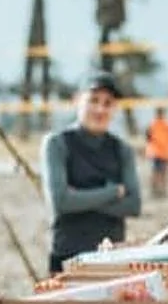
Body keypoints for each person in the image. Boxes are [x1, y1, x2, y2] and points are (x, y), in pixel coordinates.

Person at [41, 72, 141, 274]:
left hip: (112, 257)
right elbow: (60, 202)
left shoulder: (123, 150)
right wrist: (113, 192)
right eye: (93, 100)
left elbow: (133, 205)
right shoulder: (57, 143)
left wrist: (78, 198)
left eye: (108, 103)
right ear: (77, 100)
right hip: (67, 257)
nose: (100, 109)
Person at [144, 106, 168, 198]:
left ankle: (160, 190)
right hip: (157, 152)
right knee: (158, 172)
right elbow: (148, 137)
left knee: (160, 172)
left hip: (162, 152)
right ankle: (157, 190)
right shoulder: (155, 125)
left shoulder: (165, 125)